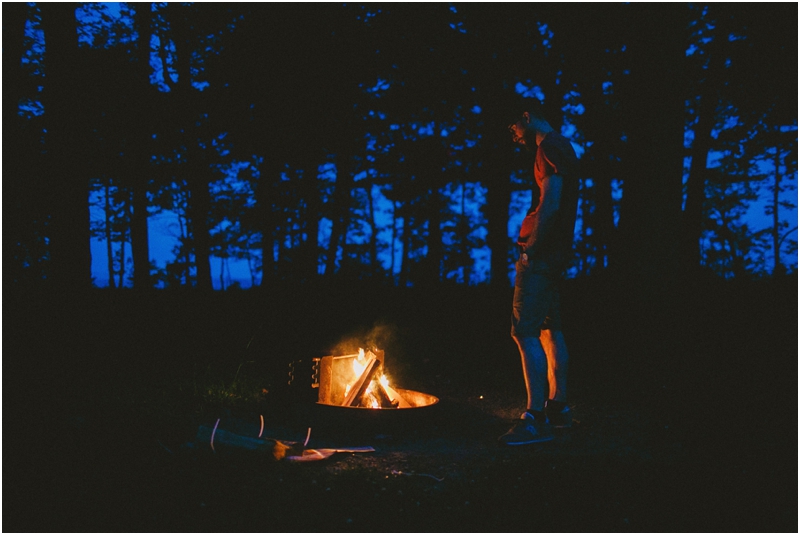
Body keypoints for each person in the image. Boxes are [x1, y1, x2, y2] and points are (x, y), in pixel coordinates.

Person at [499, 106, 579, 446]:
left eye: (513, 126)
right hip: (554, 254)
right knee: (550, 329)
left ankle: (535, 418)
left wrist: (531, 247)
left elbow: (552, 202)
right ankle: (558, 406)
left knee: (525, 331)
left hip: (543, 255)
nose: (513, 135)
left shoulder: (549, 148)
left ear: (527, 115)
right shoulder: (562, 147)